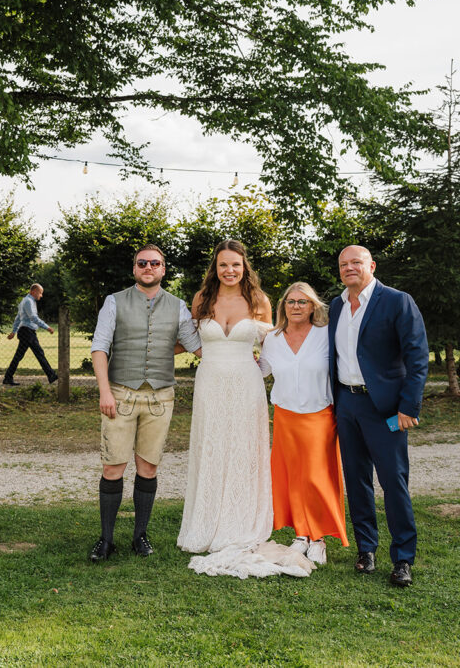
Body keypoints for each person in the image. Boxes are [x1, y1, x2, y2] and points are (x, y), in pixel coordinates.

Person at [177, 240, 313, 578]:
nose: (229, 271)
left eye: (235, 265)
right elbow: (193, 339)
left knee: (243, 449)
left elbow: (273, 346)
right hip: (209, 384)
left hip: (246, 385)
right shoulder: (202, 299)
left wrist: (265, 368)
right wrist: (209, 357)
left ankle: (241, 519)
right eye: (223, 265)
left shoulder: (259, 301)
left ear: (244, 266)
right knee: (211, 447)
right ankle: (206, 521)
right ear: (215, 267)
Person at [87, 244, 201, 562]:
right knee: (113, 467)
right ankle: (106, 540)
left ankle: (140, 536)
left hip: (160, 397)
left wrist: (235, 358)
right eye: (142, 263)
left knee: (148, 466)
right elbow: (99, 347)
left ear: (164, 269)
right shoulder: (114, 302)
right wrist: (104, 391)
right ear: (134, 269)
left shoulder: (178, 306)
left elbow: (195, 346)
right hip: (120, 393)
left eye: (155, 263)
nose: (148, 267)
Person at [329, 246, 428, 587]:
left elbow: (418, 357)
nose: (349, 268)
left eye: (356, 262)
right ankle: (366, 549)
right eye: (343, 264)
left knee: (393, 482)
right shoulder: (337, 305)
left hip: (384, 408)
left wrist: (408, 407)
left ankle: (402, 558)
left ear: (371, 265)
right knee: (356, 481)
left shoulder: (397, 301)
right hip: (347, 404)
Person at [259, 282, 349, 566]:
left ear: (313, 306)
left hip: (319, 414)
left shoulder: (326, 335)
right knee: (293, 476)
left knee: (316, 477)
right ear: (283, 306)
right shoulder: (272, 338)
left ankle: (319, 537)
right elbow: (262, 370)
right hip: (285, 415)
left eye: (303, 302)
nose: (296, 307)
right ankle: (301, 534)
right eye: (290, 302)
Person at [2, 284, 57, 386]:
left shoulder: (25, 301)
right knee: (39, 353)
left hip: (25, 332)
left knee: (19, 356)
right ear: (33, 292)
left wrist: (14, 331)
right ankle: (52, 375)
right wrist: (47, 327)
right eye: (40, 293)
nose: (41, 295)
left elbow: (18, 318)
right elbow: (33, 317)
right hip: (27, 332)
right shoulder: (28, 301)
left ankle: (8, 377)